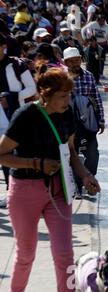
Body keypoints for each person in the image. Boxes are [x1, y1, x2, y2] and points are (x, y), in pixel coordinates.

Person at [0, 67, 100, 292]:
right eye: (63, 96)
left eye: (69, 95)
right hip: (25, 191)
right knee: (26, 253)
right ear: (46, 94)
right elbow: (2, 154)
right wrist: (36, 163)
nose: (68, 100)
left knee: (65, 254)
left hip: (59, 189)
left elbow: (71, 152)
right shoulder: (25, 115)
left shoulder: (67, 114)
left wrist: (85, 175)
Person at [0, 33, 37, 208]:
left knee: (10, 155)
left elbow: (32, 88)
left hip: (14, 117)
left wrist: (12, 98)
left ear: (3, 46)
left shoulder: (16, 65)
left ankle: (12, 192)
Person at [63, 47, 105, 198]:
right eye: (71, 61)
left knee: (92, 153)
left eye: (77, 60)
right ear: (66, 62)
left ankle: (89, 180)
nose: (75, 63)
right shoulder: (62, 77)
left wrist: (101, 119)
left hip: (88, 121)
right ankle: (77, 187)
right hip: (69, 123)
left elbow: (96, 97)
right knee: (72, 154)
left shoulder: (89, 76)